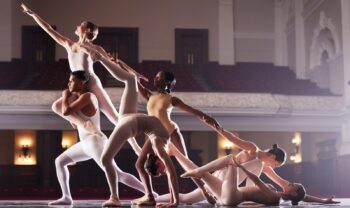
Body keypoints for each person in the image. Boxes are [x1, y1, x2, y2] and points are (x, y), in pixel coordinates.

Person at [81, 47, 179, 207]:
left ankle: (119, 198)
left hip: (128, 119)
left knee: (131, 80)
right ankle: (100, 58)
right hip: (129, 119)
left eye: (160, 171)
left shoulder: (157, 143)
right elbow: (172, 173)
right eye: (161, 171)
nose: (164, 170)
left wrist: (174, 202)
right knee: (132, 80)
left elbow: (165, 170)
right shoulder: (159, 144)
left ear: (156, 162)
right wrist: (175, 203)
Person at [49, 71, 150, 205]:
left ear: (82, 82)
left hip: (95, 141)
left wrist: (65, 94)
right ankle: (66, 197)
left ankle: (151, 193)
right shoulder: (76, 98)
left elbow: (65, 111)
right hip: (85, 143)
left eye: (72, 80)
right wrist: (71, 111)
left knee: (118, 174)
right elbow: (57, 108)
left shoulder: (88, 97)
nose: (69, 83)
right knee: (60, 161)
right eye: (69, 80)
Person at [136, 71, 219, 204]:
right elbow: (134, 80)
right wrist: (120, 64)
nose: (155, 78)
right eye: (155, 76)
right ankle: (149, 196)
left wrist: (207, 117)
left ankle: (205, 192)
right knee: (139, 163)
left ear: (167, 83)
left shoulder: (171, 99)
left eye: (158, 77)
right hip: (154, 134)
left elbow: (192, 110)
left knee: (188, 165)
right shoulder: (149, 95)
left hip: (171, 132)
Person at [168, 143, 306, 206]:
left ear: (293, 194)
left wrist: (241, 167)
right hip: (228, 191)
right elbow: (302, 196)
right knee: (186, 198)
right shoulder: (280, 195)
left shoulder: (276, 196)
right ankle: (174, 151)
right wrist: (323, 201)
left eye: (293, 185)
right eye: (275, 165)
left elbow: (256, 181)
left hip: (232, 194)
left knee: (229, 159)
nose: (290, 183)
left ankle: (196, 169)